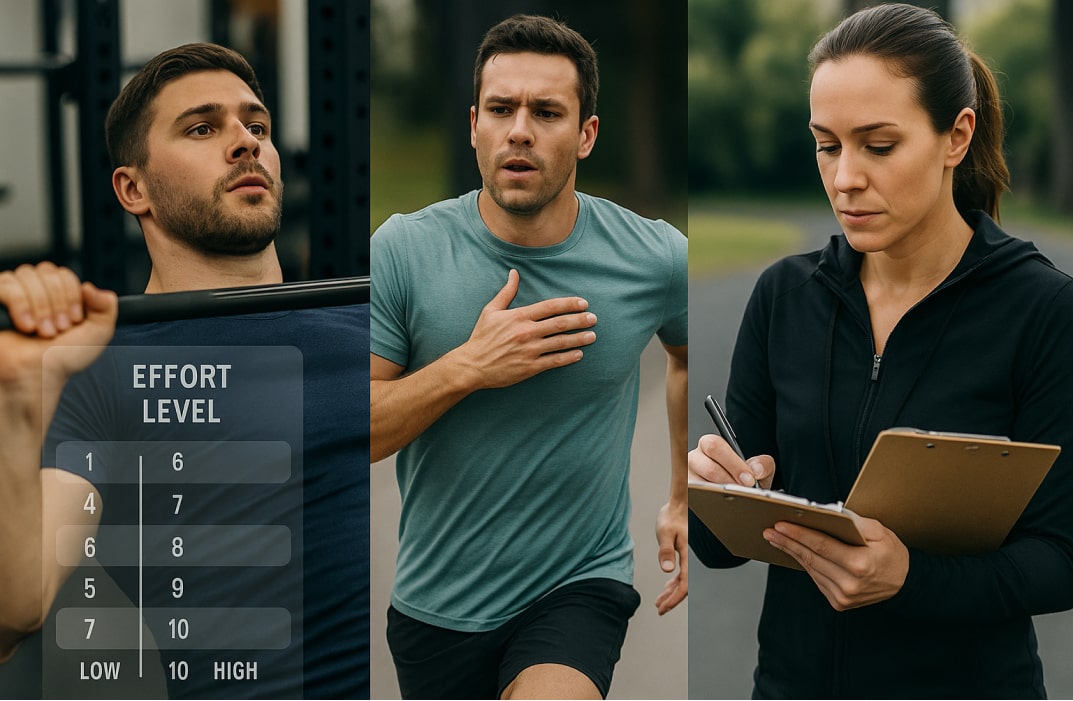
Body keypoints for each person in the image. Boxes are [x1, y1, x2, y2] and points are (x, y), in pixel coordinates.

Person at [688, 3, 1073, 698]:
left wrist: (911, 578)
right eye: (826, 145)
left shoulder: (1042, 310)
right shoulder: (783, 296)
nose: (843, 179)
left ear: (955, 136)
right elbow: (715, 546)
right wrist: (717, 492)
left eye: (878, 145)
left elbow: (1062, 556)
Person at [0, 43, 369, 699]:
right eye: (202, 128)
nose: (245, 144)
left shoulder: (373, 328)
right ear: (132, 188)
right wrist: (16, 407)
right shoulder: (105, 369)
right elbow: (14, 612)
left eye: (256, 126)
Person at [370, 13, 688, 700]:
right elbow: (355, 430)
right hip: (437, 601)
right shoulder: (403, 251)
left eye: (546, 111)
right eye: (501, 108)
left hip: (578, 585)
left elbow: (689, 357)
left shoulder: (655, 258)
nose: (520, 129)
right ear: (473, 124)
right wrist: (469, 366)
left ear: (585, 135)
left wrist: (681, 495)